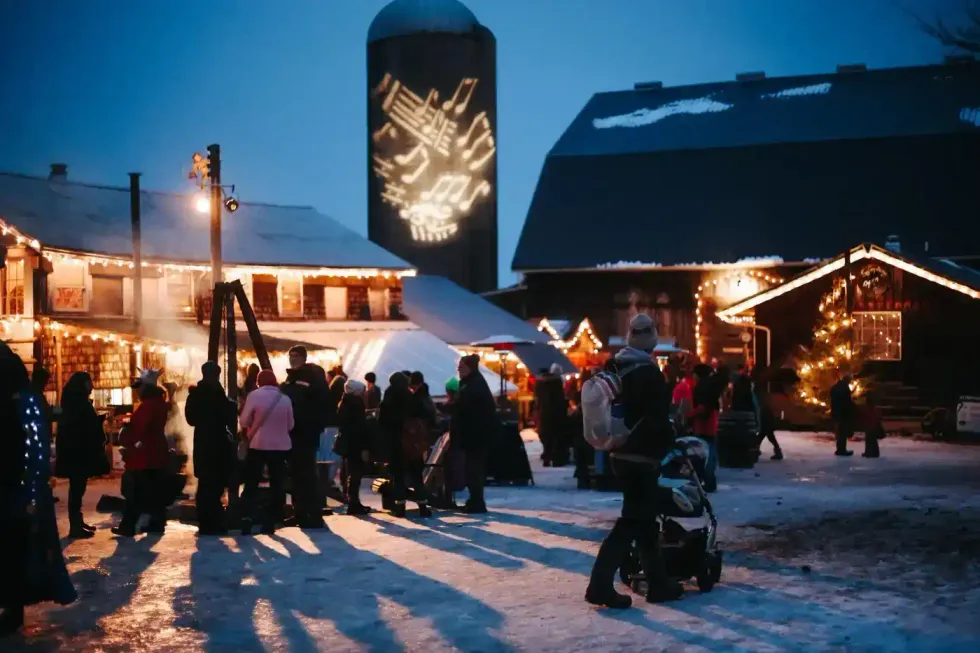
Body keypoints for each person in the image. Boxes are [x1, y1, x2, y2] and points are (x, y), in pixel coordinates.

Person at [586, 314, 683, 609]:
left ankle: (658, 582)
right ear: (651, 341)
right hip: (642, 455)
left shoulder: (618, 369)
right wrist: (671, 434)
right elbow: (655, 419)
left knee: (644, 521)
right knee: (632, 521)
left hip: (620, 452)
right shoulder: (649, 374)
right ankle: (600, 585)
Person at [1, 345, 77, 636]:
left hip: (14, 487)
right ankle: (13, 605)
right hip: (15, 485)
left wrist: (31, 485)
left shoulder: (22, 403)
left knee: (15, 550)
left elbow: (35, 448)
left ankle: (13, 606)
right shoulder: (24, 402)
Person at [114, 369, 171, 537]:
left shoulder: (148, 405)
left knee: (136, 492)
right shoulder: (158, 402)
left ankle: (128, 525)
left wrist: (129, 438)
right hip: (156, 452)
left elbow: (140, 429)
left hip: (145, 455)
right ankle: (156, 522)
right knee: (155, 492)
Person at [184, 362, 238, 536]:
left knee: (205, 484)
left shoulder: (195, 394)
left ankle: (206, 520)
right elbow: (228, 417)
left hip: (202, 441)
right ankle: (214, 521)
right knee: (215, 484)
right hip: (218, 442)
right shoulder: (218, 394)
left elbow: (191, 419)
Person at [280, 345, 330, 529]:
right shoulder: (292, 378)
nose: (292, 359)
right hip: (294, 432)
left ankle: (313, 514)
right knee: (297, 474)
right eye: (290, 356)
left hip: (305, 432)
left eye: (295, 356)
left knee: (307, 474)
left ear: (303, 357)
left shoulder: (309, 377)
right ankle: (300, 512)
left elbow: (313, 403)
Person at [55, 372, 110, 538]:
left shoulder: (73, 402)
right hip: (77, 452)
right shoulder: (78, 404)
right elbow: (82, 427)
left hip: (75, 452)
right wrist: (97, 422)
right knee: (77, 487)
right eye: (89, 382)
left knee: (78, 487)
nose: (91, 386)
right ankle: (75, 525)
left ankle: (78, 522)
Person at [239, 369, 294, 535]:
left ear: (258, 381)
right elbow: (290, 425)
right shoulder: (285, 399)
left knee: (252, 481)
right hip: (280, 447)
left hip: (258, 444)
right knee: (277, 483)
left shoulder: (254, 396)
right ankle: (272, 519)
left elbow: (244, 420)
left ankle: (247, 518)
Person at [379, 371, 432, 518]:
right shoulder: (410, 398)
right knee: (416, 476)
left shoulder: (388, 399)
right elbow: (424, 414)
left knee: (398, 477)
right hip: (411, 442)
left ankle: (400, 507)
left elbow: (382, 423)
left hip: (395, 444)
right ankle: (422, 506)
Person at [451, 354, 499, 514]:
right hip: (473, 435)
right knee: (472, 469)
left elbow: (468, 409)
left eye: (461, 366)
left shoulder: (474, 385)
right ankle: (474, 500)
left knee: (474, 469)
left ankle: (477, 501)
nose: (458, 369)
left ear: (470, 368)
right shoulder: (471, 383)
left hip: (475, 436)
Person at [336, 379, 372, 515]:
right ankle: (354, 503)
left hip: (348, 443)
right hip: (355, 443)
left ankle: (352, 501)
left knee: (350, 472)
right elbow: (359, 427)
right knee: (356, 473)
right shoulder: (356, 404)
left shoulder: (344, 402)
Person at [690, 365, 722, 492]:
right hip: (711, 420)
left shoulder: (701, 386)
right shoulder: (712, 385)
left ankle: (708, 480)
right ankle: (710, 481)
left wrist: (689, 414)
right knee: (711, 451)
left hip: (703, 421)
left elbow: (702, 406)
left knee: (704, 452)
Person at [535, 364, 568, 466]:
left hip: (544, 414)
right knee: (556, 437)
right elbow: (560, 400)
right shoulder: (557, 383)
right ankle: (556, 459)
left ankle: (547, 457)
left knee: (546, 436)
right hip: (557, 414)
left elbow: (538, 400)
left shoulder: (539, 384)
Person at [830, 372, 856, 457]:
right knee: (842, 432)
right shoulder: (845, 388)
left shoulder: (835, 387)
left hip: (836, 412)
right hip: (843, 413)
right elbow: (847, 402)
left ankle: (840, 449)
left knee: (839, 432)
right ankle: (842, 450)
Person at [861, 392, 884, 459]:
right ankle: (874, 452)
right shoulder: (875, 409)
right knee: (873, 440)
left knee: (869, 440)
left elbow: (865, 417)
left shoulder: (867, 409)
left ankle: (869, 452)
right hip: (874, 426)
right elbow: (878, 416)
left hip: (869, 426)